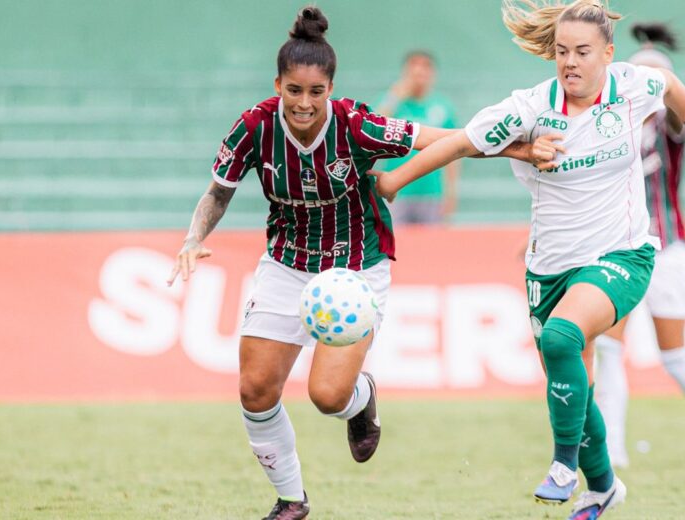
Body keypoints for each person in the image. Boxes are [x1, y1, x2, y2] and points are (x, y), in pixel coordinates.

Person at [165, 7, 538, 518]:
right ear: (278, 84)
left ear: (329, 89)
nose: (303, 103)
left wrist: (520, 150)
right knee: (254, 389)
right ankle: (291, 500)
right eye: (293, 90)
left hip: (355, 268)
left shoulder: (354, 125)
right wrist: (193, 237)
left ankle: (361, 401)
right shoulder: (252, 128)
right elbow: (217, 193)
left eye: (315, 92)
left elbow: (442, 140)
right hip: (286, 264)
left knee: (327, 395)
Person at [372, 1, 685, 517]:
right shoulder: (529, 109)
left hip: (623, 254)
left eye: (582, 52)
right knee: (578, 388)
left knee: (562, 336)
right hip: (549, 268)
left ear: (607, 54)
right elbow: (461, 144)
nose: (570, 62)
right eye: (561, 52)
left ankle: (562, 465)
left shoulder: (632, 85)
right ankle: (603, 488)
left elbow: (671, 87)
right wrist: (395, 181)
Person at [593, 22, 685, 471]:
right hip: (619, 248)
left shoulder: (672, 123)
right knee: (609, 349)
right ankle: (612, 448)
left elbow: (677, 108)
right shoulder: (609, 125)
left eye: (655, 78)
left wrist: (668, 87)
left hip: (667, 248)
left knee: (674, 356)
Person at [377, 51, 462, 224]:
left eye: (425, 68)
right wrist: (394, 97)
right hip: (397, 191)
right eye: (414, 68)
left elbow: (455, 152)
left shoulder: (443, 107)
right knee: (394, 244)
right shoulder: (393, 104)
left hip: (432, 193)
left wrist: (451, 194)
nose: (419, 73)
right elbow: (374, 130)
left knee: (431, 247)